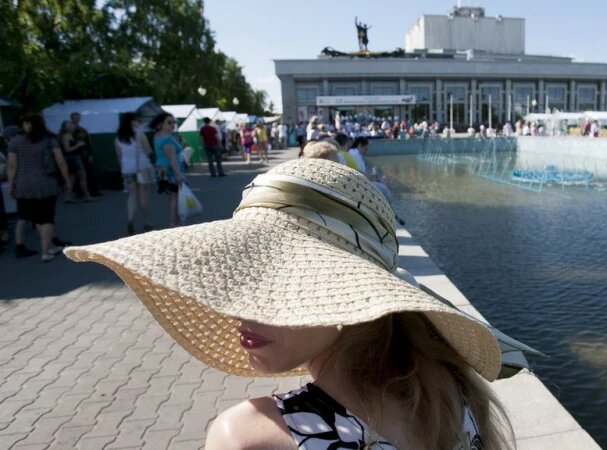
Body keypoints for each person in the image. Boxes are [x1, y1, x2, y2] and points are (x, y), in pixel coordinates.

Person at [65, 158, 516, 449]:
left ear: (347, 299)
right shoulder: (454, 395)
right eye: (242, 280)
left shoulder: (250, 437)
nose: (239, 309)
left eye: (273, 285)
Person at [7, 114, 72, 261]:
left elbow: (12, 166)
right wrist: (67, 180)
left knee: (34, 219)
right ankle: (45, 251)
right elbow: (61, 162)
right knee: (47, 218)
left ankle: (46, 247)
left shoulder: (15, 142)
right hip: (46, 183)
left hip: (24, 185)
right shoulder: (50, 140)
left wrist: (11, 185)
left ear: (29, 124)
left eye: (25, 123)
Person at [115, 112, 154, 235]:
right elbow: (148, 150)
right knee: (143, 196)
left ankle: (130, 220)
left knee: (132, 196)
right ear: (132, 121)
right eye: (136, 120)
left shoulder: (118, 138)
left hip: (127, 169)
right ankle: (146, 222)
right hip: (142, 167)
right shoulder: (140, 134)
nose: (138, 122)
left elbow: (119, 156)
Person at [150, 113, 185, 227]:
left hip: (160, 171)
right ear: (161, 124)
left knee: (171, 198)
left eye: (174, 122)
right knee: (175, 198)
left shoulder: (157, 136)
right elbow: (172, 158)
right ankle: (174, 223)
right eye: (169, 122)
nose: (173, 125)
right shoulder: (168, 139)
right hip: (169, 172)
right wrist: (178, 174)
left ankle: (175, 222)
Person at [59, 120, 94, 202]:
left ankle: (68, 196)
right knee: (82, 177)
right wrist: (78, 145)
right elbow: (67, 149)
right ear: (65, 127)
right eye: (70, 124)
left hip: (72, 158)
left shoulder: (68, 135)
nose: (72, 125)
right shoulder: (66, 136)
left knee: (72, 178)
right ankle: (87, 196)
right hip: (74, 158)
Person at [70, 112, 102, 197]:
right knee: (78, 174)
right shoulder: (69, 131)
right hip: (75, 155)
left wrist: (90, 154)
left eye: (77, 118)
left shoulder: (83, 130)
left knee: (89, 173)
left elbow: (88, 142)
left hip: (84, 154)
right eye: (74, 118)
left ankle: (93, 191)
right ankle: (80, 192)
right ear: (71, 119)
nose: (76, 120)